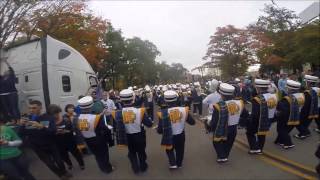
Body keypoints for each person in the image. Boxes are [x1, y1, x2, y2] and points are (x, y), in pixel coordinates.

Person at [20, 101, 71, 179]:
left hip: (50, 144)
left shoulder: (48, 117)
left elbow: (53, 131)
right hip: (37, 147)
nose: (31, 110)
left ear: (40, 107)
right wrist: (21, 125)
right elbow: (22, 133)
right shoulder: (27, 119)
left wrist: (42, 127)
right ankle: (60, 175)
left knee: (59, 161)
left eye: (34, 108)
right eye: (29, 108)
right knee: (49, 164)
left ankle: (64, 171)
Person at [205, 83, 249, 163]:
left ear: (221, 94)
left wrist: (209, 126)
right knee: (229, 142)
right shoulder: (240, 103)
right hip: (234, 128)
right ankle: (225, 155)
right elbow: (245, 114)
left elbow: (214, 121)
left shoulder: (218, 105)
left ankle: (222, 156)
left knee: (216, 141)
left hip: (222, 128)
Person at [112, 89, 153, 174]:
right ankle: (143, 167)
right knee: (141, 151)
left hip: (127, 136)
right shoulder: (140, 111)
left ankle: (135, 168)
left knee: (132, 152)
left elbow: (117, 126)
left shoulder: (117, 113)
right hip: (139, 135)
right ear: (133, 99)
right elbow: (149, 124)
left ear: (122, 100)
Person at [157, 90, 195, 169]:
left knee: (169, 149)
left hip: (168, 135)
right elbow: (192, 122)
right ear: (177, 99)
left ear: (165, 100)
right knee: (180, 149)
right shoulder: (184, 109)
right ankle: (179, 163)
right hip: (181, 134)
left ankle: (172, 163)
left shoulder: (162, 113)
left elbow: (160, 130)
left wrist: (158, 129)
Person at [77, 96, 114, 173]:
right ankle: (108, 168)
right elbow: (104, 128)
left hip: (87, 140)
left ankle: (102, 167)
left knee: (97, 155)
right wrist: (110, 130)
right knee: (104, 154)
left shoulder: (77, 118)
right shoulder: (96, 117)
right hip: (99, 139)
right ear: (91, 106)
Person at [245, 79, 278, 154]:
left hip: (259, 120)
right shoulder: (274, 96)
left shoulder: (257, 99)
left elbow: (255, 114)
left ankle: (254, 148)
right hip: (269, 119)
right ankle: (260, 148)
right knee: (262, 133)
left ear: (258, 88)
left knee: (250, 133)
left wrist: (249, 120)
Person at [0, 112, 36, 180]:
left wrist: (8, 143)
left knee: (26, 174)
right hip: (3, 159)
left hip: (17, 156)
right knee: (15, 177)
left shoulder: (6, 129)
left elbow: (19, 142)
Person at [53, 104, 85, 170]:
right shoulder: (51, 122)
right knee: (63, 155)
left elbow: (73, 129)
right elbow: (48, 131)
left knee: (76, 153)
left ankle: (81, 164)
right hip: (58, 141)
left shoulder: (66, 119)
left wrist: (67, 131)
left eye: (57, 113)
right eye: (53, 113)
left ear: (59, 112)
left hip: (69, 140)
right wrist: (54, 132)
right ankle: (69, 164)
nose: (55, 115)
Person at [274, 80, 304, 149]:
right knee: (285, 130)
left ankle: (288, 143)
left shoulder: (287, 98)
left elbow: (283, 109)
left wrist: (278, 103)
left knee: (281, 129)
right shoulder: (301, 95)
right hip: (296, 116)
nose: (286, 89)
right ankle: (280, 141)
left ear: (290, 89)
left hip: (286, 117)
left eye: (287, 88)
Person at [295, 75, 319, 139]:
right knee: (305, 123)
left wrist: (300, 111)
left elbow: (306, 105)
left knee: (297, 121)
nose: (304, 83)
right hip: (314, 110)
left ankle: (304, 133)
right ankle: (305, 132)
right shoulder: (315, 90)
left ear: (308, 83)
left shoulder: (308, 92)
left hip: (307, 111)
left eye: (305, 81)